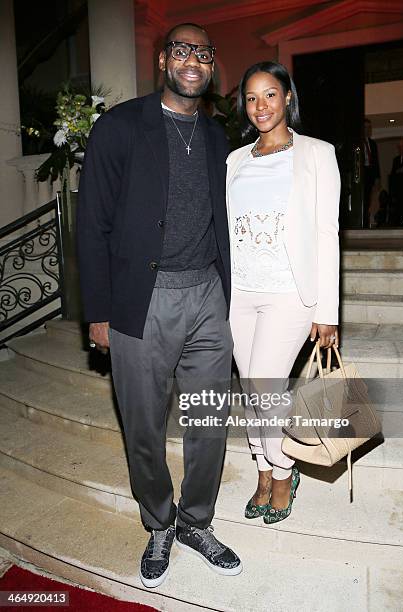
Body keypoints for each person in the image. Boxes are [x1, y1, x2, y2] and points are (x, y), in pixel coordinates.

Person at [77, 22, 242, 589]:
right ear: (163, 60)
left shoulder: (219, 136)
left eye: (203, 51)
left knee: (208, 419)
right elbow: (92, 224)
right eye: (181, 50)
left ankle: (197, 522)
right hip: (143, 298)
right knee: (143, 426)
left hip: (207, 297)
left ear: (211, 64)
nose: (192, 60)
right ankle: (159, 522)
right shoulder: (120, 127)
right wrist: (98, 311)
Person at [226, 62, 340, 524]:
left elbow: (326, 233)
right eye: (251, 98)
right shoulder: (234, 160)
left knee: (265, 385)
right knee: (253, 391)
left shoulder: (316, 153)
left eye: (270, 95)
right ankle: (260, 467)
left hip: (290, 293)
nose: (260, 106)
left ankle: (283, 470)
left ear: (288, 96)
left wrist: (327, 310)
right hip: (240, 293)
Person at [363, 118, 380, 228]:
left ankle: (367, 220)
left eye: (370, 127)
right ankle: (362, 220)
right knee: (362, 198)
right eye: (366, 127)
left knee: (369, 198)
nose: (368, 129)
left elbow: (376, 161)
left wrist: (377, 177)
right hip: (361, 174)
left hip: (370, 174)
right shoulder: (357, 142)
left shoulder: (372, 143)